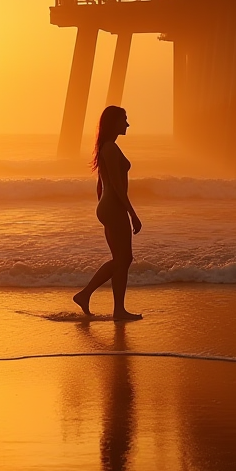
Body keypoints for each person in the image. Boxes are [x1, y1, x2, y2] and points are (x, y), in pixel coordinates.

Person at [73, 105, 143, 320]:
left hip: (107, 206)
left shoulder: (105, 147)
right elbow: (116, 185)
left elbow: (100, 185)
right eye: (124, 120)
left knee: (121, 259)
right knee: (124, 259)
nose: (128, 124)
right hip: (113, 207)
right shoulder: (110, 148)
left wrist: (102, 207)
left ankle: (113, 307)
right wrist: (132, 213)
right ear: (114, 123)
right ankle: (90, 296)